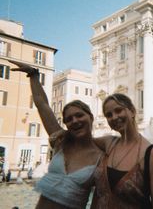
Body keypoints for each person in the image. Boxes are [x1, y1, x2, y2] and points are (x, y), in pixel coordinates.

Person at [9, 60, 103, 209]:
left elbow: (101, 200)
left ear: (91, 117)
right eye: (69, 119)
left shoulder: (102, 156)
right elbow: (42, 104)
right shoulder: (61, 142)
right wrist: (33, 75)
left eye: (79, 115)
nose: (75, 121)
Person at [91, 93, 153, 209]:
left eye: (118, 110)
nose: (114, 117)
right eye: (109, 115)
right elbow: (81, 140)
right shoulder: (108, 143)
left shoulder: (151, 153)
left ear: (132, 111)